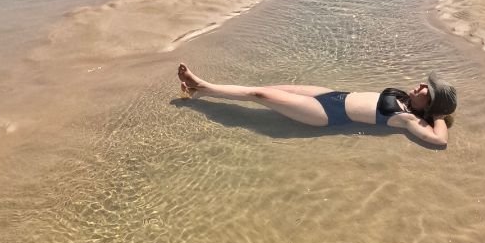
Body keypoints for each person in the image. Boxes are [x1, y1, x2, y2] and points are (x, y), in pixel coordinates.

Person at [177, 64, 457, 148]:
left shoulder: (408, 119)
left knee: (260, 95)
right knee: (273, 88)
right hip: (332, 96)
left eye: (425, 90)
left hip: (325, 115)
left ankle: (201, 86)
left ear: (429, 105)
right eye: (423, 84)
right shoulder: (404, 98)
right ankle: (199, 91)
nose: (420, 86)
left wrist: (440, 116)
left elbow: (439, 141)